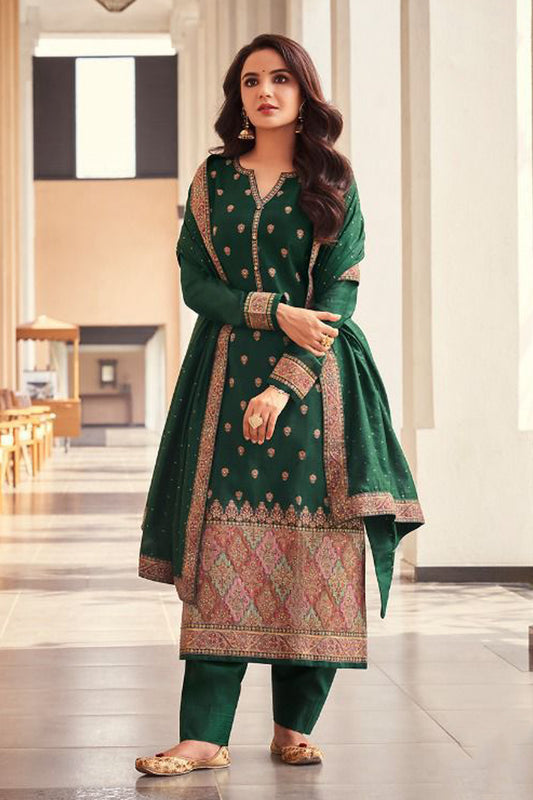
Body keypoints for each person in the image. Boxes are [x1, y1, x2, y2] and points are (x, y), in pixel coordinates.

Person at [135, 32, 425, 777]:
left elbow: (337, 295)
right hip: (223, 376)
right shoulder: (211, 180)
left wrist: (284, 380)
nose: (264, 91)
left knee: (312, 552)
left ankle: (293, 727)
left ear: (303, 92)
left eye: (280, 79)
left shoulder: (332, 180)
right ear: (238, 96)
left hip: (317, 386)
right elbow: (197, 286)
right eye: (251, 81)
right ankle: (203, 736)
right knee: (219, 548)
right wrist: (270, 310)